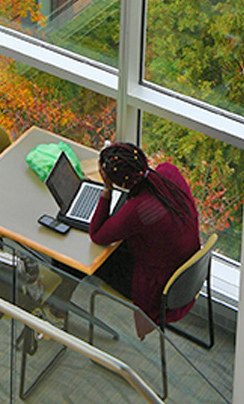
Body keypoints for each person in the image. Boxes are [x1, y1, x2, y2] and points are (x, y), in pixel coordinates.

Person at [90, 142, 200, 339]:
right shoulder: (168, 172)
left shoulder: (139, 210)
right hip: (187, 274)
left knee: (83, 260)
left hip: (158, 288)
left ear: (121, 184)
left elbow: (97, 234)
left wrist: (106, 190)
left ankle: (55, 308)